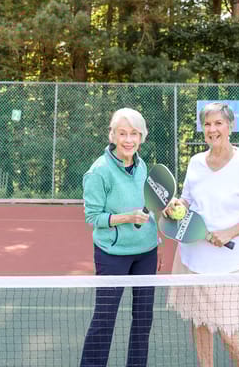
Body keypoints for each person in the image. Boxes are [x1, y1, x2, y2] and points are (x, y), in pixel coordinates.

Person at [165, 102, 239, 367]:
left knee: (230, 334)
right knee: (200, 324)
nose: (212, 129)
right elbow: (187, 201)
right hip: (192, 256)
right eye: (208, 124)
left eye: (218, 123)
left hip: (228, 265)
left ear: (230, 126)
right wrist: (177, 207)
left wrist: (228, 232)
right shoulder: (196, 162)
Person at [80, 108, 164, 367]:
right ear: (112, 135)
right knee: (104, 318)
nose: (129, 140)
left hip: (146, 254)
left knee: (143, 319)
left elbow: (148, 206)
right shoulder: (98, 171)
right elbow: (92, 217)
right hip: (112, 255)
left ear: (142, 137)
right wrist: (126, 218)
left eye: (134, 134)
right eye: (123, 133)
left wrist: (156, 244)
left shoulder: (142, 166)